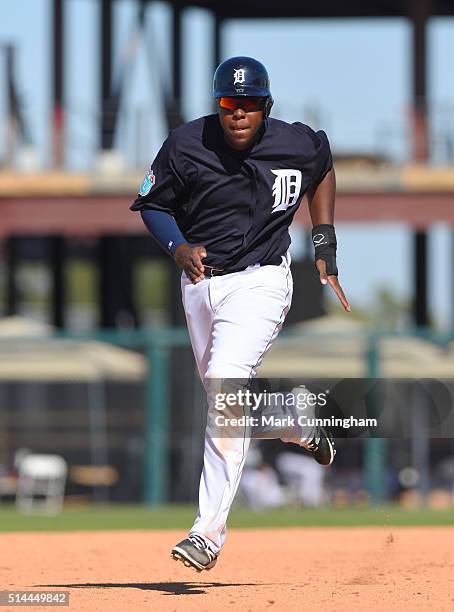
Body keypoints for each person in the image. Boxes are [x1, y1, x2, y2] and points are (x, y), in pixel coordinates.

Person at [130, 55, 350, 572]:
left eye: (249, 102)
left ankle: (206, 534)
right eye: (230, 102)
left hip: (262, 281)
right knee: (225, 406)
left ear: (265, 106)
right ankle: (295, 421)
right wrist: (178, 247)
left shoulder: (294, 142)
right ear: (218, 105)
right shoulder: (186, 143)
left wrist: (325, 244)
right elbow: (153, 205)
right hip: (201, 286)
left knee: (227, 390)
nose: (239, 113)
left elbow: (324, 166)